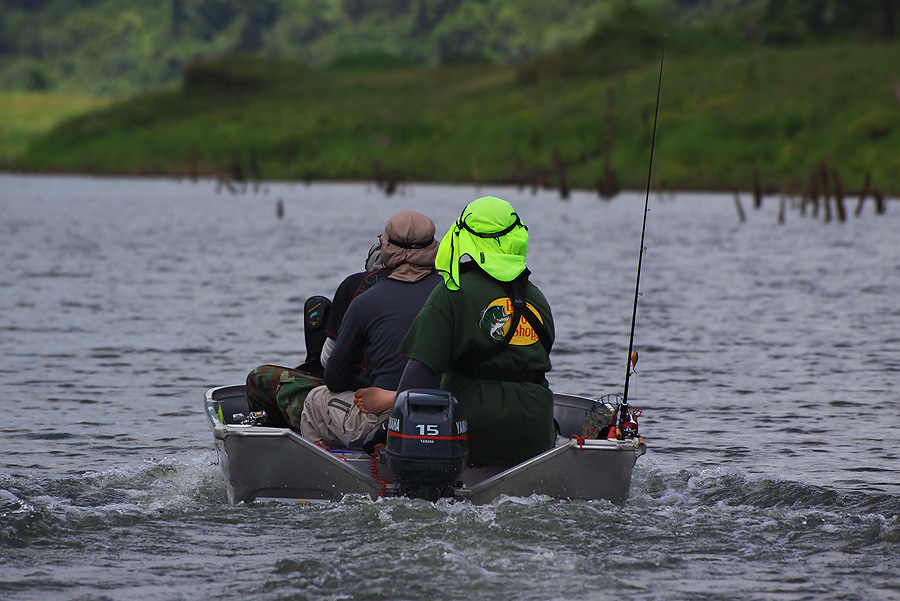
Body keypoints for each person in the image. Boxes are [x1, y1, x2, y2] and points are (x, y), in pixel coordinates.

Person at [356, 196, 555, 467]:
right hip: (536, 437)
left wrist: (384, 431)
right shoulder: (537, 297)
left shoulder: (451, 291)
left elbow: (417, 377)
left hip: (473, 438)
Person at [298, 209, 442, 449]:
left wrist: (367, 387)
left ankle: (327, 473)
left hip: (383, 418)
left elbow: (334, 378)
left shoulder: (366, 300)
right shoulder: (453, 295)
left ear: (386, 249)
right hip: (443, 414)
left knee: (315, 399)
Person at [245, 240, 392, 429]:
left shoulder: (355, 286)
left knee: (260, 377)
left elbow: (329, 366)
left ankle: (279, 441)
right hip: (416, 396)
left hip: (364, 400)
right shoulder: (435, 289)